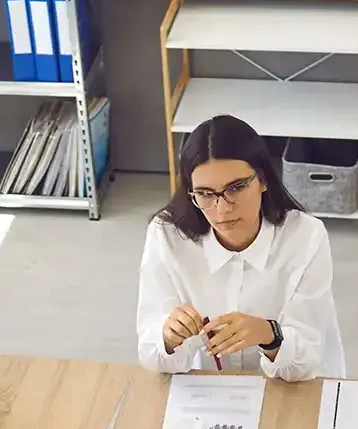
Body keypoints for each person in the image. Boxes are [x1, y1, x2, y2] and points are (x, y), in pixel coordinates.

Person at [137, 113, 346, 381]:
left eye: (235, 188)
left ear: (263, 180)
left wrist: (268, 334)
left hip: (295, 389)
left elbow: (305, 362)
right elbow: (151, 355)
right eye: (205, 194)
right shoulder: (165, 236)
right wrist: (167, 337)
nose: (222, 209)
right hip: (211, 389)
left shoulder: (306, 236)